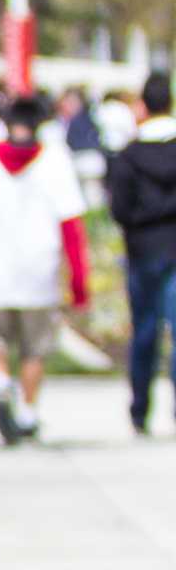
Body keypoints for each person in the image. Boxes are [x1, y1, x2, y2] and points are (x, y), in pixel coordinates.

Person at [0, 95, 88, 445]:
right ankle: (28, 411)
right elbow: (71, 224)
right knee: (35, 345)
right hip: (37, 269)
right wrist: (78, 280)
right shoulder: (56, 160)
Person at [108, 70, 176, 434]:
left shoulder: (129, 157)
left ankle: (140, 408)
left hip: (144, 249)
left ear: (143, 105)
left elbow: (120, 210)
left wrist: (144, 217)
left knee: (146, 331)